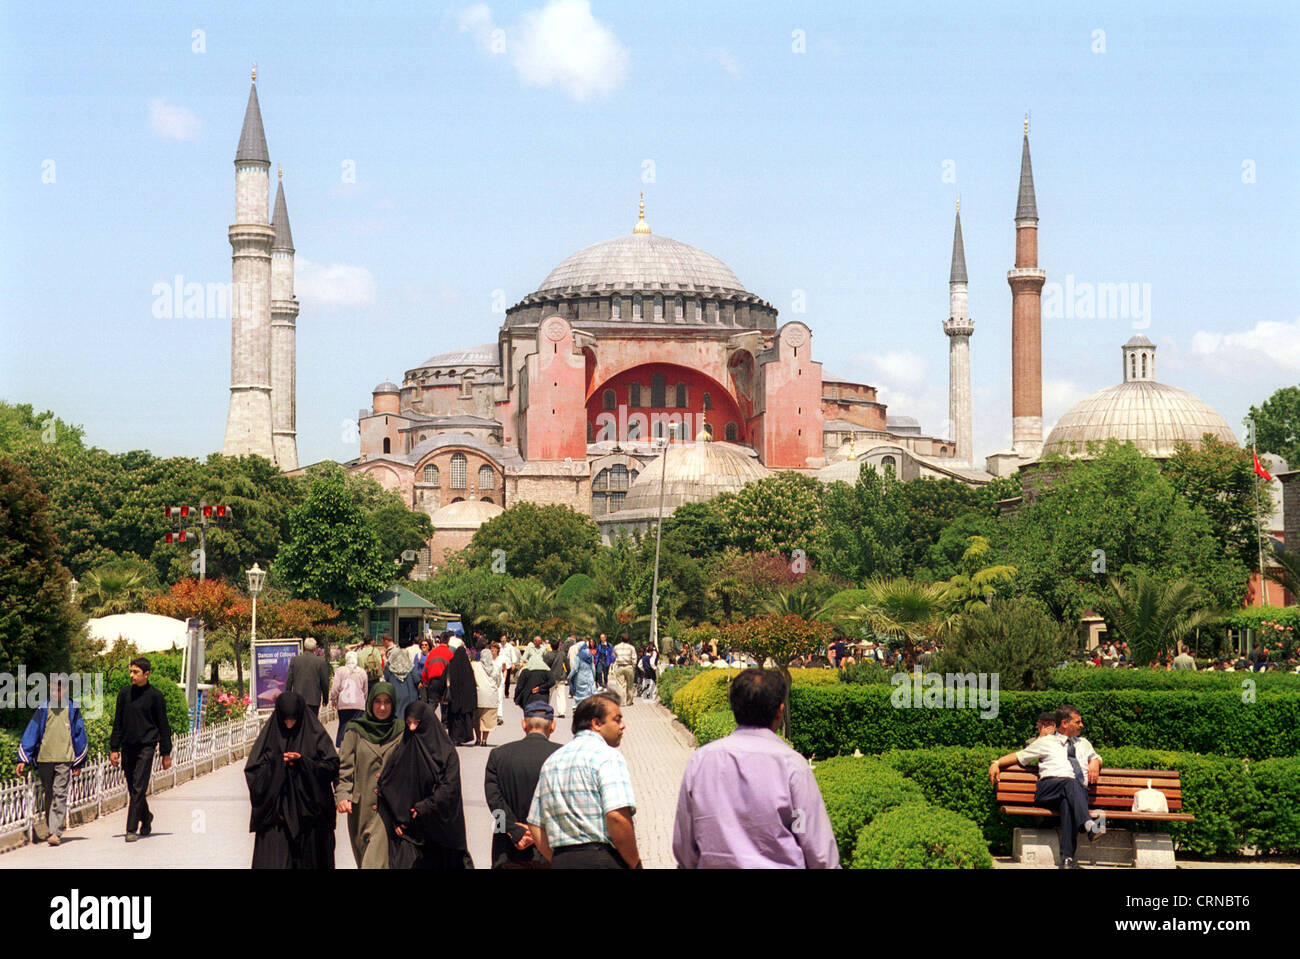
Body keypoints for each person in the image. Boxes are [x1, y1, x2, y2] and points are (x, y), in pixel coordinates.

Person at [672, 669, 838, 869]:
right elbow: (817, 849)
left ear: (734, 708)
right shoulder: (792, 766)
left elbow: (684, 846)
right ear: (780, 710)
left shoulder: (701, 761)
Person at [528, 693, 640, 869]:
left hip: (562, 860)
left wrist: (558, 859)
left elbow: (535, 824)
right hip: (602, 859)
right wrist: (635, 862)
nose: (623, 726)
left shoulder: (552, 762)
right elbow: (617, 816)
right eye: (617, 720)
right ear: (596, 724)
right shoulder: (608, 757)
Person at [989, 704, 1106, 869]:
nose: (1082, 725)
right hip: (1049, 790)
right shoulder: (1045, 742)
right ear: (1064, 723)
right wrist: (996, 762)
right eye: (1078, 722)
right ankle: (1088, 823)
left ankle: (1067, 859)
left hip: (1074, 793)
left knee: (1067, 803)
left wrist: (1095, 761)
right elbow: (1019, 756)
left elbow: (1097, 757)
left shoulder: (1084, 743)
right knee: (1070, 782)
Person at [245, 691, 339, 868]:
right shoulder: (269, 737)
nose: (289, 724)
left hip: (310, 818)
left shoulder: (315, 735)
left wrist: (304, 763)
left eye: (294, 720)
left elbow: (331, 766)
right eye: (285, 720)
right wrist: (278, 764)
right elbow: (254, 773)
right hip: (276, 819)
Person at [379, 702, 473, 869]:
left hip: (441, 829)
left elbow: (449, 788)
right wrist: (396, 819)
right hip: (411, 831)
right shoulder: (403, 749)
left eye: (417, 722)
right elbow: (388, 785)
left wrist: (426, 806)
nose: (412, 728)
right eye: (408, 723)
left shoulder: (446, 752)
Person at [483, 701, 564, 869]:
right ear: (553, 726)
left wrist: (514, 829)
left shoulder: (499, 755)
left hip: (508, 849)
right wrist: (536, 834)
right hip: (550, 850)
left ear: (524, 724)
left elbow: (494, 801)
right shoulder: (563, 756)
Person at [16, 675, 89, 846]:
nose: (56, 692)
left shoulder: (72, 708)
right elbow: (32, 732)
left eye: (59, 688)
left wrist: (78, 762)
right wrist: (23, 759)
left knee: (60, 793)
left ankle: (55, 832)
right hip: (44, 759)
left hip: (65, 758)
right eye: (53, 688)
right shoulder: (42, 707)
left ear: (65, 689)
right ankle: (51, 828)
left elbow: (79, 735)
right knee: (49, 793)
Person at [335, 683, 402, 868]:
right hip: (360, 809)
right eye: (378, 702)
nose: (382, 707)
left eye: (387, 702)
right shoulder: (354, 730)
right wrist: (343, 795)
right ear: (370, 703)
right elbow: (345, 768)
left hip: (387, 810)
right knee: (364, 857)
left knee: (374, 862)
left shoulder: (400, 731)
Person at [109, 658, 173, 842]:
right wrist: (114, 748)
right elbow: (118, 722)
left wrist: (165, 753)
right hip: (128, 746)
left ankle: (131, 829)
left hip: (147, 746)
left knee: (138, 786)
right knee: (132, 787)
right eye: (130, 671)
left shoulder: (155, 696)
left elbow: (163, 725)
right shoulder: (124, 694)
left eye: (136, 672)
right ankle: (146, 817)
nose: (131, 675)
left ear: (147, 674)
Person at [329, 651, 369, 748]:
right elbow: (365, 690)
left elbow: (335, 688)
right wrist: (364, 701)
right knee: (357, 726)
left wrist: (333, 700)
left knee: (343, 724)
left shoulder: (340, 670)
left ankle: (341, 745)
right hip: (358, 704)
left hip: (343, 704)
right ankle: (356, 745)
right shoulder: (362, 672)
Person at [443, 639, 477, 746]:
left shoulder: (452, 665)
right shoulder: (467, 667)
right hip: (465, 699)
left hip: (455, 697)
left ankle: (454, 738)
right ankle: (462, 737)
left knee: (454, 717)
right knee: (464, 717)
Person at [286, 638, 331, 712]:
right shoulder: (320, 662)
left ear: (304, 646)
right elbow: (324, 682)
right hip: (314, 700)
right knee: (312, 722)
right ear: (315, 648)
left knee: (299, 722)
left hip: (298, 699)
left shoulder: (295, 660)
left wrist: (287, 697)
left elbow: (289, 680)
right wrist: (325, 699)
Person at [382, 635, 421, 720]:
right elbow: (417, 680)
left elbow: (386, 678)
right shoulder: (411, 667)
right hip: (411, 697)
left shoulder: (389, 668)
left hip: (396, 695)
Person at [514, 636, 554, 710]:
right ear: (533, 641)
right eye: (536, 641)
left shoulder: (543, 648)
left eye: (539, 641)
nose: (537, 642)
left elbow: (546, 658)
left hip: (542, 667)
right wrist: (521, 664)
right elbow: (524, 656)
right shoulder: (530, 647)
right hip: (530, 666)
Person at [472, 651, 500, 746]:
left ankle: (478, 739)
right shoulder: (496, 667)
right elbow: (499, 682)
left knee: (477, 719)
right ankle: (484, 740)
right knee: (488, 720)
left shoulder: (476, 666)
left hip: (479, 696)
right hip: (491, 697)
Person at [421, 633, 455, 708]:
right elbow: (453, 671)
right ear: (448, 641)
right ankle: (444, 719)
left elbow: (425, 669)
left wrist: (425, 681)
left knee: (432, 704)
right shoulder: (450, 653)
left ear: (440, 640)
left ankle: (428, 718)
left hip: (433, 682)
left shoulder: (432, 653)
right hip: (445, 683)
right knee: (445, 705)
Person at [570, 641, 599, 705]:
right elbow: (593, 668)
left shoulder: (579, 656)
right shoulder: (590, 656)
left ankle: (580, 706)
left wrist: (569, 676)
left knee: (581, 694)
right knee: (590, 692)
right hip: (589, 676)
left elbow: (575, 668)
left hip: (581, 677)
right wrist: (593, 677)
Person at [612, 634, 638, 706]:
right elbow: (634, 658)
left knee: (620, 685)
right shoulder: (631, 647)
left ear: (621, 639)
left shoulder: (616, 647)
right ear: (628, 640)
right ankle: (629, 701)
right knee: (630, 685)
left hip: (619, 667)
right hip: (629, 666)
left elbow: (614, 656)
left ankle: (621, 702)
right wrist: (633, 666)